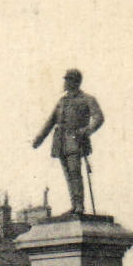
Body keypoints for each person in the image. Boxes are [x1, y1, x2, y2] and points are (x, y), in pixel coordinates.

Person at [32, 67, 106, 216]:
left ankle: (79, 205)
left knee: (75, 173)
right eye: (65, 80)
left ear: (75, 82)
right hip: (60, 141)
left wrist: (86, 131)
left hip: (76, 140)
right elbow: (51, 121)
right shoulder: (62, 101)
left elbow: (99, 118)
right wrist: (39, 139)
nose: (65, 83)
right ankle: (74, 204)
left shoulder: (87, 99)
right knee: (67, 174)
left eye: (68, 80)